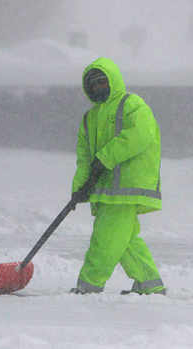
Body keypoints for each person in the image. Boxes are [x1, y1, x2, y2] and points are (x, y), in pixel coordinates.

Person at [69, 57, 166, 295]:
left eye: (103, 81)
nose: (99, 87)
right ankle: (150, 285)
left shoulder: (131, 104)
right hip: (107, 190)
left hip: (128, 186)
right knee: (124, 241)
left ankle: (89, 285)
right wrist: (79, 188)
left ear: (113, 80)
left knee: (105, 238)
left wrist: (106, 157)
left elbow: (141, 134)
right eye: (94, 84)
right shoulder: (89, 118)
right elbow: (85, 158)